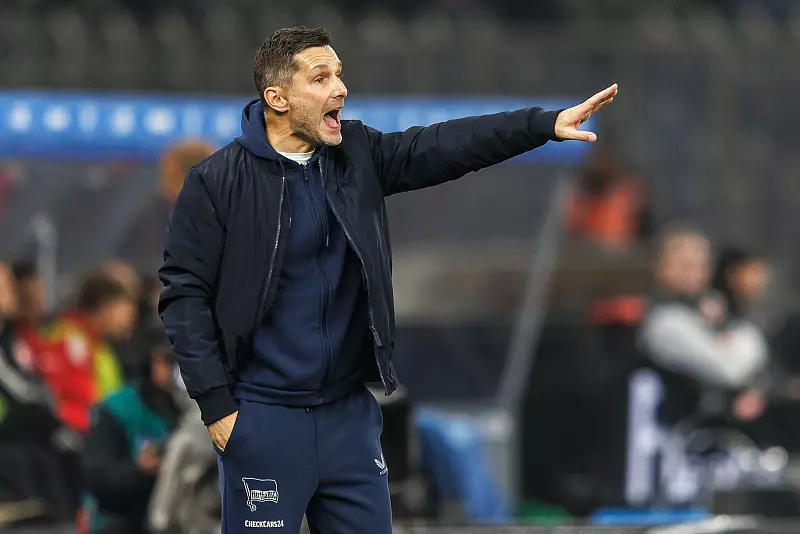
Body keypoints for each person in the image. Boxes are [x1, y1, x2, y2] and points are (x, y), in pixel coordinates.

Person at [159, 26, 617, 534]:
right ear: (278, 98)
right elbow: (184, 297)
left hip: (349, 418)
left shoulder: (359, 155)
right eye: (321, 78)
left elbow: (446, 145)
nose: (340, 88)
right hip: (265, 416)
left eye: (339, 74)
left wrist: (541, 125)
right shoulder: (216, 182)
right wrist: (218, 408)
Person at [82, 330, 181, 534]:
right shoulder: (117, 409)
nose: (176, 371)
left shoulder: (190, 408)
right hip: (122, 519)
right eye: (168, 361)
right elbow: (99, 481)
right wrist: (140, 470)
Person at [40, 271, 134, 434]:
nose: (129, 320)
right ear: (105, 307)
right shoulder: (68, 341)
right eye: (123, 310)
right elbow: (67, 404)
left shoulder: (100, 347)